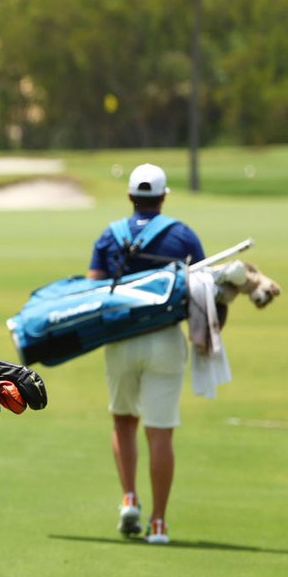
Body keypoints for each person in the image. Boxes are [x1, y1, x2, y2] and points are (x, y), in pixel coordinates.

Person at [86, 163, 205, 545]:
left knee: (123, 421)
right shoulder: (182, 235)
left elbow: (93, 292)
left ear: (131, 197)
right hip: (166, 342)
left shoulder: (110, 235)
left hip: (121, 340)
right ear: (163, 196)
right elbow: (201, 290)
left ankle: (129, 498)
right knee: (160, 433)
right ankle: (158, 523)